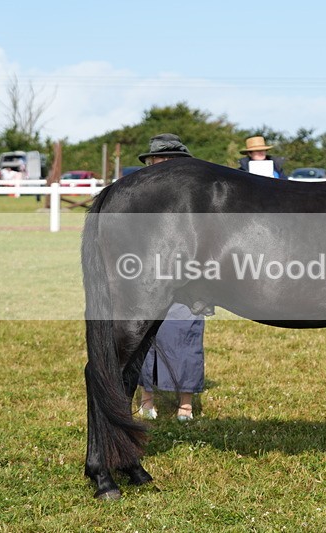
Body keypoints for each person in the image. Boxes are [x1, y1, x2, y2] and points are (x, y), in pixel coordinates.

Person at [135, 133, 206, 422]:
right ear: (151, 162)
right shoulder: (139, 195)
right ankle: (146, 400)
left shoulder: (196, 195)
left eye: (168, 159)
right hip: (147, 275)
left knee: (183, 334)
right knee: (142, 338)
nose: (161, 163)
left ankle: (185, 405)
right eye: (157, 159)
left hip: (186, 277)